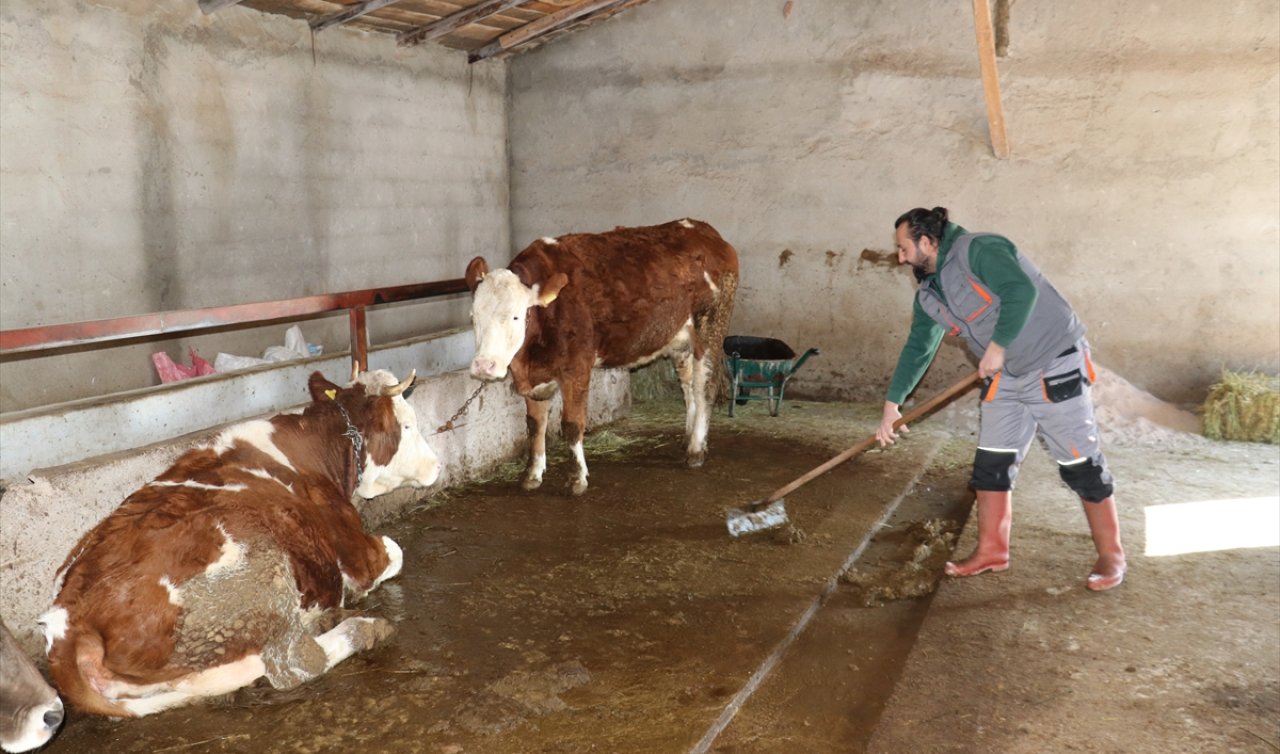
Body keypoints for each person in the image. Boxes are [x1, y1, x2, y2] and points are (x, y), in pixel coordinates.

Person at [875, 207, 1126, 591]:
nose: (900, 256)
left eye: (904, 247)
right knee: (991, 463)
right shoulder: (928, 292)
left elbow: (1020, 290)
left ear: (927, 241)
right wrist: (893, 405)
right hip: (1006, 374)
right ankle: (992, 551)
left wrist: (996, 346)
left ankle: (1112, 557)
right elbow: (918, 347)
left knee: (1079, 463)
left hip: (1051, 361)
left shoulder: (979, 249)